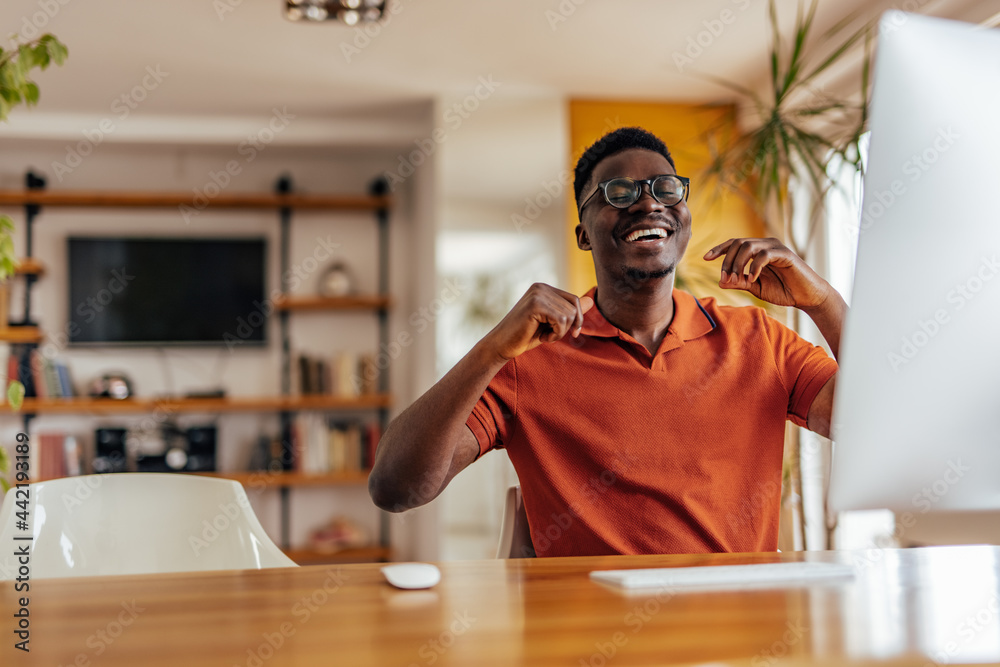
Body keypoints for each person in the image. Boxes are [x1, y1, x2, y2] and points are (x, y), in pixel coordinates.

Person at [369, 127, 846, 557]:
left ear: (685, 220)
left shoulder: (759, 341)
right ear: (583, 233)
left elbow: (879, 426)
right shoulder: (527, 358)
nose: (647, 203)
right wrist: (492, 349)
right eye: (617, 192)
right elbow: (396, 488)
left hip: (735, 640)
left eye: (665, 188)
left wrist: (823, 301)